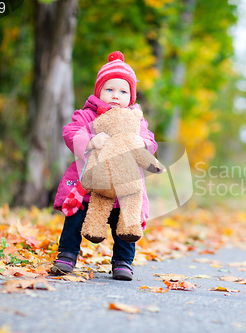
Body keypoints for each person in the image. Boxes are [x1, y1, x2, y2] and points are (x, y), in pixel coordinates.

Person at [50, 51, 158, 281]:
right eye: (110, 89)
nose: (115, 96)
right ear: (99, 91)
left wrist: (142, 143)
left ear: (131, 96)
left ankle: (122, 262)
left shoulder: (136, 120)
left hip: (122, 187)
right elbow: (70, 132)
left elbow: (150, 141)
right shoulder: (87, 116)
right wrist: (89, 141)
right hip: (89, 184)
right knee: (76, 218)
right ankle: (67, 256)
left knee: (124, 223)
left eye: (122, 91)